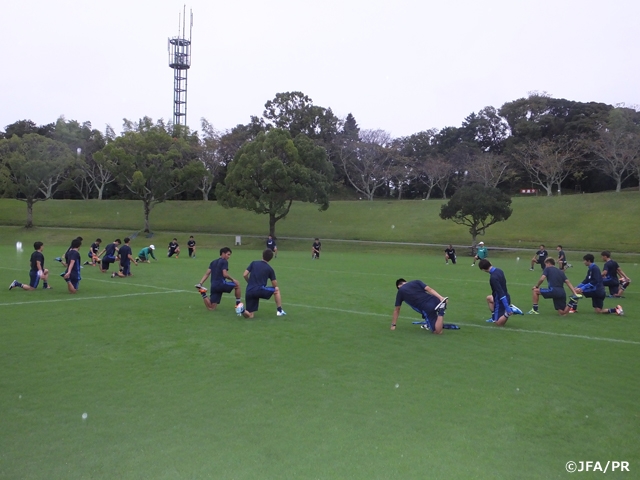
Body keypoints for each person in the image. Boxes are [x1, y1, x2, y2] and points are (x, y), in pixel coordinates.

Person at [239, 249, 287, 318]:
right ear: (270, 259)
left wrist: (249, 282)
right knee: (276, 290)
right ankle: (279, 311)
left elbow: (245, 275)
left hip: (249, 290)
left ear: (262, 255)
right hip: (259, 290)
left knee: (250, 316)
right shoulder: (269, 269)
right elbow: (274, 284)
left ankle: (242, 310)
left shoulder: (254, 263)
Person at [195, 247, 242, 311]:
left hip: (214, 285)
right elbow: (225, 274)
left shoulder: (213, 262)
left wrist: (200, 283)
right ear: (223, 253)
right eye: (228, 254)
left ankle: (203, 293)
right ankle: (238, 304)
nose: (229, 256)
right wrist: (233, 279)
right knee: (237, 285)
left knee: (211, 308)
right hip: (221, 284)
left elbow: (207, 274)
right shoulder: (224, 261)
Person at [478, 259, 523, 326]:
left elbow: (501, 294)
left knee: (498, 323)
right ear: (490, 263)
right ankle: (494, 317)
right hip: (506, 296)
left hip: (500, 300)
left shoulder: (493, 278)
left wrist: (507, 308)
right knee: (489, 298)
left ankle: (511, 310)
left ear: (483, 270)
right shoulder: (499, 270)